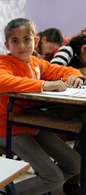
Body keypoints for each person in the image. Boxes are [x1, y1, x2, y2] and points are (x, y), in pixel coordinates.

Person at [0, 18, 83, 195]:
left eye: (27, 39)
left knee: (76, 165)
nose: (22, 45)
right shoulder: (3, 64)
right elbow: (2, 82)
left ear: (36, 41)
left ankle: (43, 185)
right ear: (7, 45)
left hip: (34, 124)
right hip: (8, 128)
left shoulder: (37, 63)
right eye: (15, 41)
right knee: (53, 178)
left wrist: (73, 75)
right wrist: (44, 85)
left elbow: (61, 70)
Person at [50, 33, 86, 195]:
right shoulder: (67, 50)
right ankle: (70, 180)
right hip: (56, 109)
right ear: (84, 49)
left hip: (77, 110)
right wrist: (78, 74)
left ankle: (73, 180)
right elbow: (52, 70)